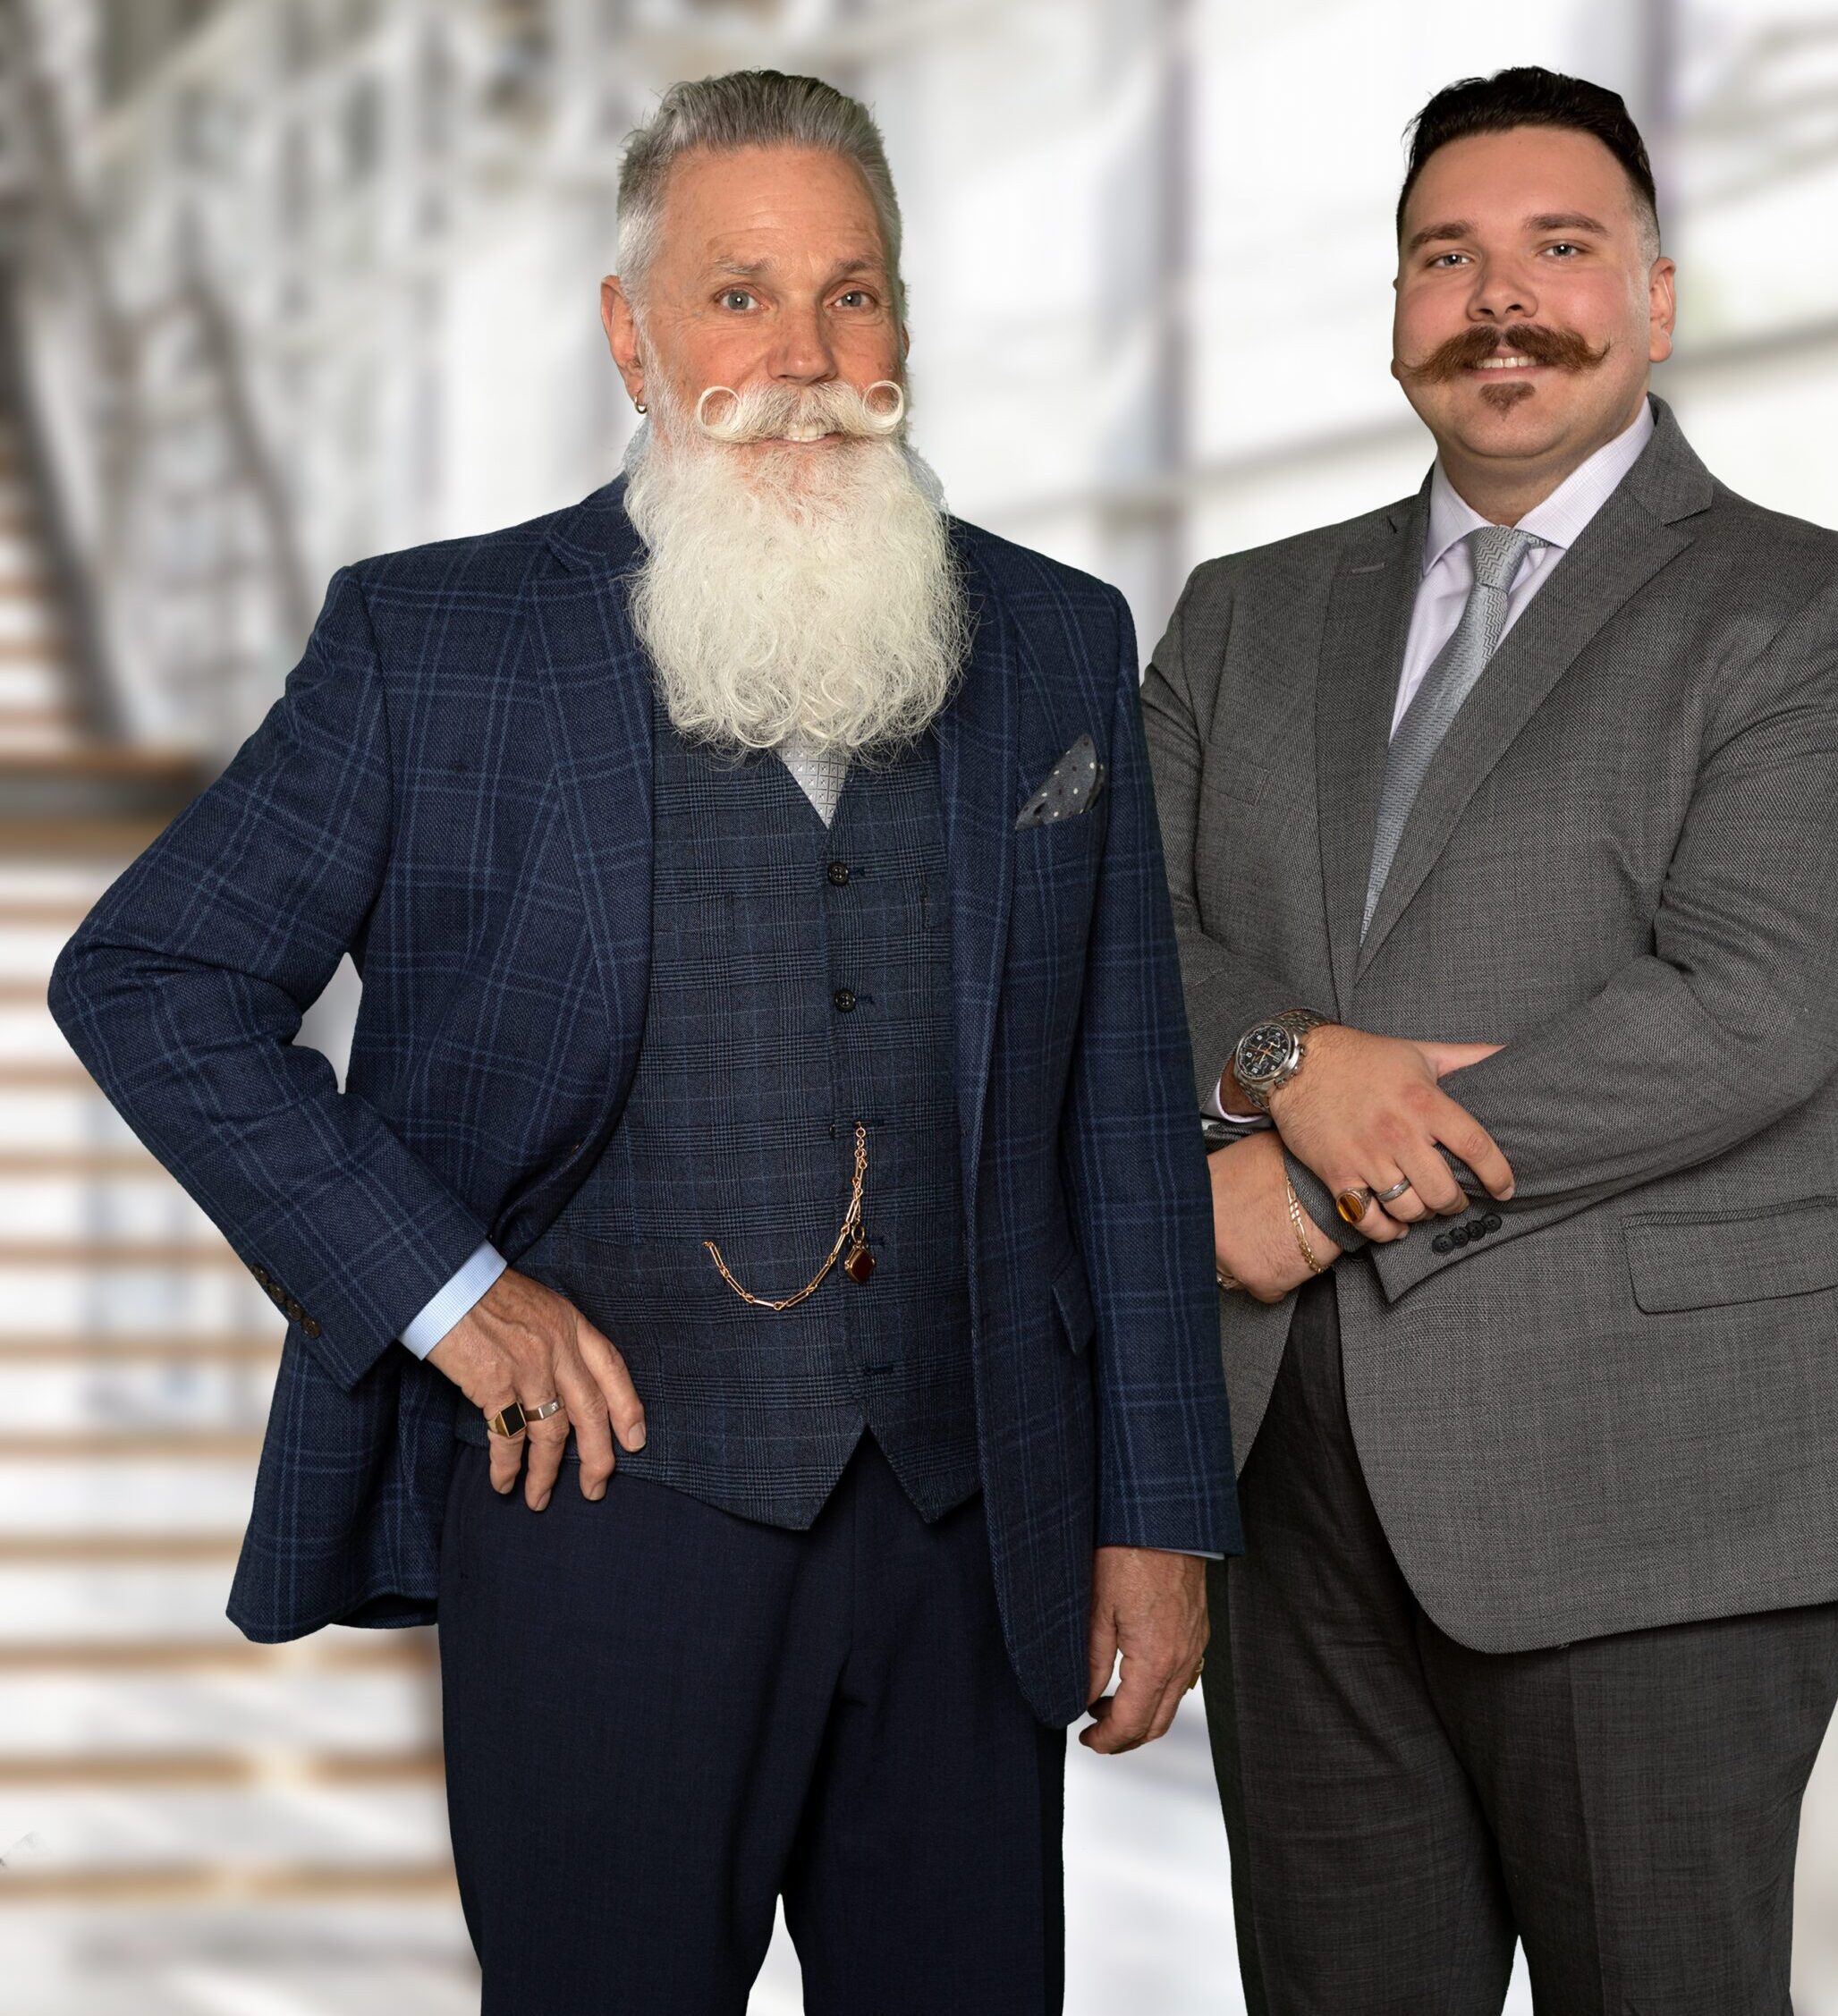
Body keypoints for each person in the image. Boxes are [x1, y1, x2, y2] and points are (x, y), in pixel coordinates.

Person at [49, 69, 1241, 2016]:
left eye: (851, 294)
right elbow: (151, 977)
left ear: (904, 323)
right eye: (738, 296)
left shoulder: (1056, 640)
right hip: (597, 1530)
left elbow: (1117, 1106)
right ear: (631, 333)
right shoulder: (432, 641)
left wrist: (1161, 1507)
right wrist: (448, 1295)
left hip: (972, 1530)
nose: (804, 359)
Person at [1142, 64, 1838, 2015]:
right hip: (1288, 1483)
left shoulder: (1815, 612)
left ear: (1652, 298)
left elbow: (1741, 1011)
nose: (1498, 300)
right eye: (1446, 257)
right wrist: (1282, 1055)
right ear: (1396, 307)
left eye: (1557, 249)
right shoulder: (1241, 615)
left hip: (1659, 1481)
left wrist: (1316, 1175)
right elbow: (1117, 932)